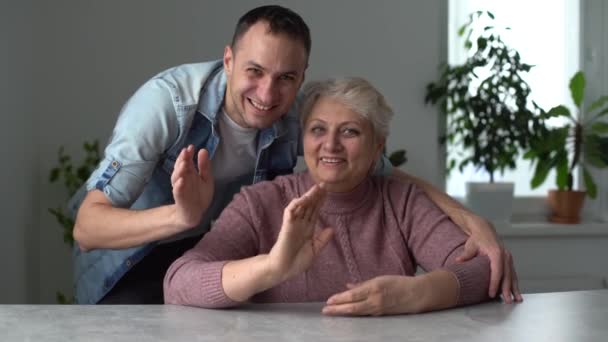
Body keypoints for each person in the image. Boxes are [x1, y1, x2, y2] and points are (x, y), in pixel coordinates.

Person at [70, 5, 522, 305]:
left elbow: (392, 179)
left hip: (214, 251)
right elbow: (88, 227)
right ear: (227, 61)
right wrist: (182, 216)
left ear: (302, 76)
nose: (268, 94)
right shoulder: (167, 104)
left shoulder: (298, 117)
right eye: (254, 71)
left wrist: (472, 222)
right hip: (132, 259)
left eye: (286, 77)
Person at [164, 77, 491, 315]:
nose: (331, 145)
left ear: (378, 146)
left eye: (350, 131)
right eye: (318, 129)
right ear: (303, 139)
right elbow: (178, 283)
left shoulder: (401, 202)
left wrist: (418, 293)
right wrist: (272, 267)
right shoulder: (260, 202)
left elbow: (483, 269)